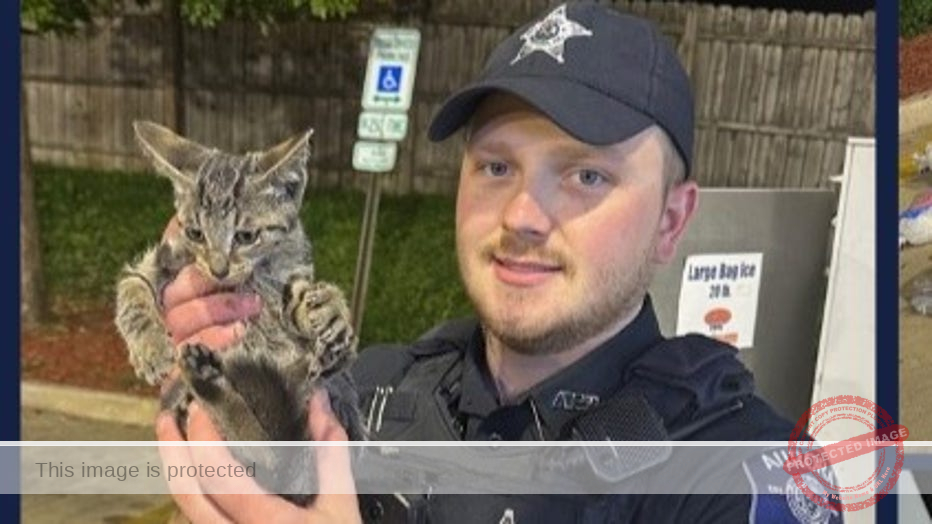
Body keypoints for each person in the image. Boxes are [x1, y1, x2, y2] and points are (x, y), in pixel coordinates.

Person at [156, 2, 837, 523]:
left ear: (670, 221)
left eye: (587, 177)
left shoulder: (745, 474)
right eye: (496, 165)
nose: (520, 215)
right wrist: (235, 363)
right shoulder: (371, 388)